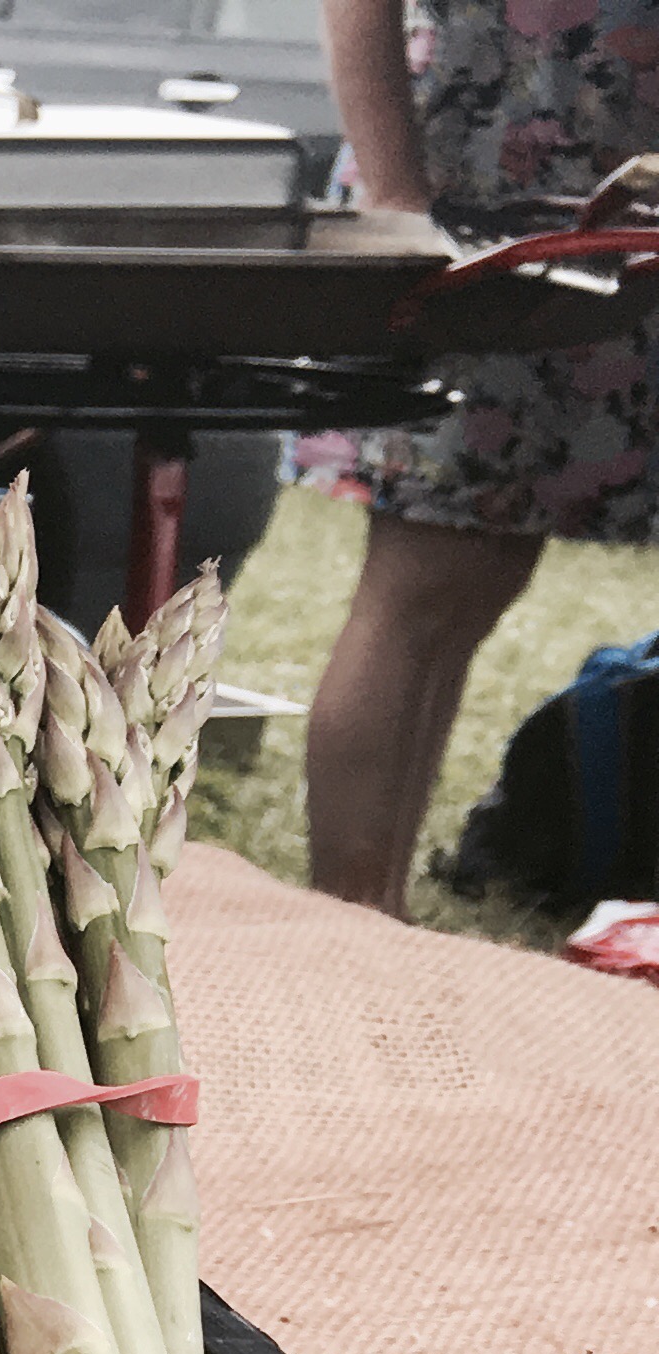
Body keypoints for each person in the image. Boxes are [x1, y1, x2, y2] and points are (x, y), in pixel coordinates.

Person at [297, 0, 659, 916]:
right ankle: (347, 924)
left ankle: (376, 914)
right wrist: (396, 205)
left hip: (602, 218)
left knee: (478, 580)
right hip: (473, 212)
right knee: (422, 582)